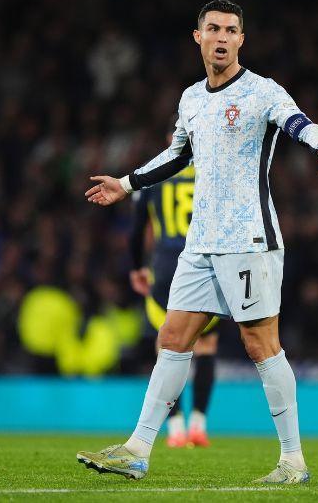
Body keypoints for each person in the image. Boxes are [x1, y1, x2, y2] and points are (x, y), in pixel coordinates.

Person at [79, 0, 318, 484]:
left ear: (242, 39)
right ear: (197, 37)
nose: (222, 37)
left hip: (249, 238)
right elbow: (176, 155)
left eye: (231, 30)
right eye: (214, 29)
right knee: (172, 338)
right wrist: (126, 183)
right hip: (200, 243)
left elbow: (295, 120)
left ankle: (293, 461)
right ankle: (138, 448)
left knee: (261, 344)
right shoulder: (191, 99)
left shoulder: (262, 92)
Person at [129, 160, 219, 448]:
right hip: (204, 262)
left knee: (166, 345)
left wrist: (136, 266)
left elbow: (137, 225)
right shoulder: (211, 168)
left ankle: (176, 428)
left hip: (166, 266)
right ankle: (199, 425)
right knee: (205, 345)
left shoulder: (155, 173)